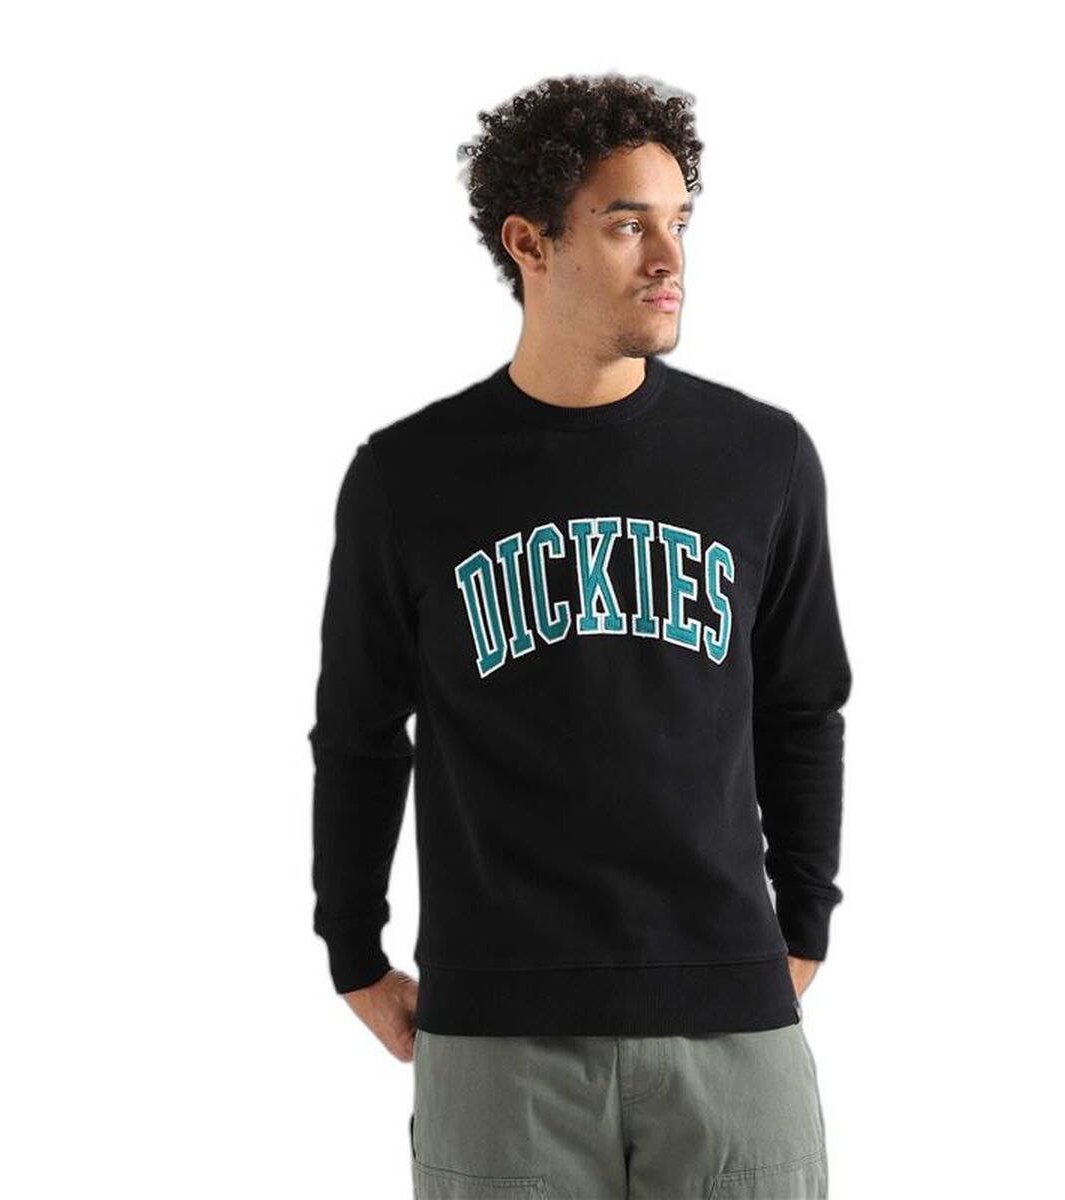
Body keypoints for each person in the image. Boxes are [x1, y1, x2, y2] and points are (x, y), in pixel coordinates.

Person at [308, 72, 852, 1199]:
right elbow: (358, 731)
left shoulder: (762, 458)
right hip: (500, 1030)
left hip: (731, 1016)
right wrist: (352, 947)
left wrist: (802, 925)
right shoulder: (408, 477)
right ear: (531, 243)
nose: (669, 256)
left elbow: (802, 707)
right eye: (625, 223)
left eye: (680, 220)